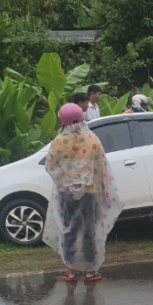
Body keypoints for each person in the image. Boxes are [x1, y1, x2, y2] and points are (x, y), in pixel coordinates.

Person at [43, 103, 123, 285]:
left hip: (65, 194)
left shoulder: (58, 142)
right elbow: (102, 166)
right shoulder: (91, 140)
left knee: (69, 228)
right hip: (89, 191)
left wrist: (66, 180)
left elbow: (50, 165)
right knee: (89, 229)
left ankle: (70, 270)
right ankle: (89, 270)